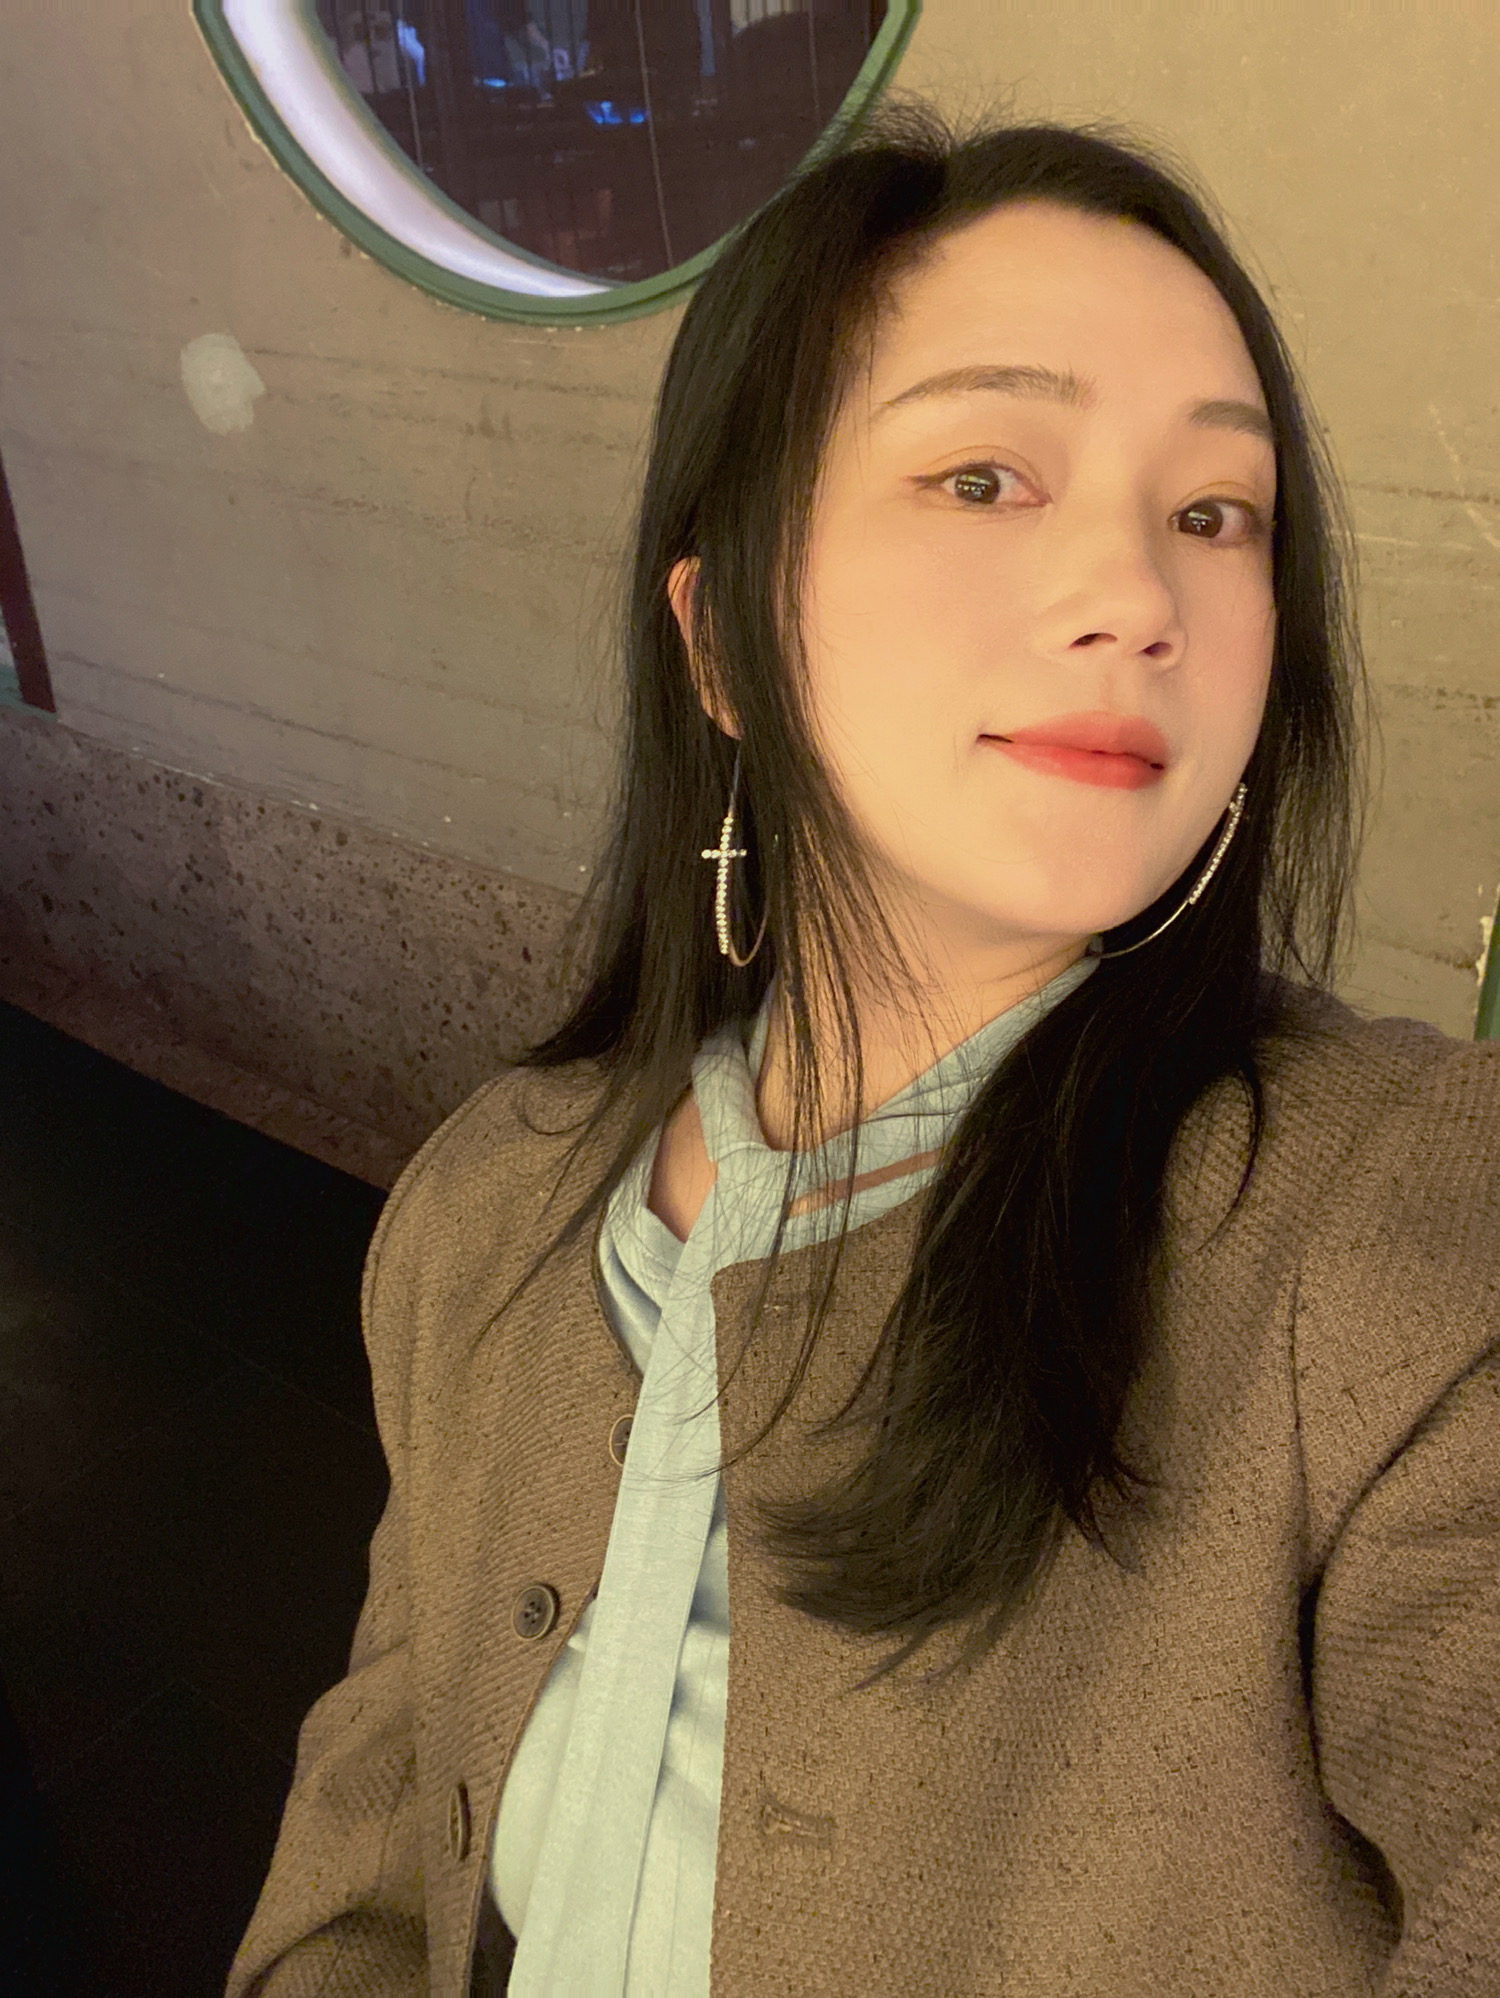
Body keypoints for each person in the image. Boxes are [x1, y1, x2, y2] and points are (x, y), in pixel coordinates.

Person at [227, 96, 1500, 1998]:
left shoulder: (1387, 1236)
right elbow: (379, 1815)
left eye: (1213, 513)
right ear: (721, 639)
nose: (1139, 598)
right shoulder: (487, 1210)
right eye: (985, 476)